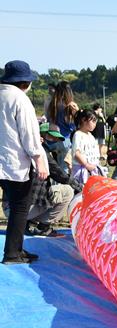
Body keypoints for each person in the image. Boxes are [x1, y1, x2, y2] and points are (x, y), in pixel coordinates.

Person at [0, 60, 49, 264]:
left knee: (13, 205)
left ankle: (17, 248)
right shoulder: (20, 99)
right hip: (14, 163)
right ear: (24, 82)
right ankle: (12, 253)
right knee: (20, 208)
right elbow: (29, 135)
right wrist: (39, 159)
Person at [1, 123, 71, 238]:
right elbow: (58, 173)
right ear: (39, 135)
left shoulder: (23, 149)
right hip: (18, 208)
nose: (54, 140)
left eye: (56, 139)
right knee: (66, 191)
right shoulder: (38, 152)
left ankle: (29, 224)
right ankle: (41, 227)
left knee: (52, 192)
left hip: (15, 208)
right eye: (51, 137)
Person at [45, 81, 78, 176]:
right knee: (63, 171)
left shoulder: (52, 104)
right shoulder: (69, 106)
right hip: (64, 141)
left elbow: (48, 120)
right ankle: (60, 190)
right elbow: (72, 126)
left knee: (55, 171)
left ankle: (53, 189)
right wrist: (77, 113)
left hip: (52, 141)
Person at [71, 109, 103, 190]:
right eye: (93, 121)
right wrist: (87, 165)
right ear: (84, 120)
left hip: (92, 170)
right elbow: (77, 153)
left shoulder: (90, 135)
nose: (95, 124)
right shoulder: (78, 135)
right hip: (82, 171)